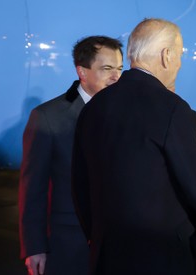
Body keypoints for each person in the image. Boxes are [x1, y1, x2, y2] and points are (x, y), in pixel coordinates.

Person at [71, 18, 196, 275]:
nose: (179, 63)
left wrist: (96, 235)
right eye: (179, 55)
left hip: (107, 252)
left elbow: (80, 183)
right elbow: (195, 183)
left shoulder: (94, 107)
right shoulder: (172, 108)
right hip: (161, 255)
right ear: (166, 56)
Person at [18, 36, 123, 275]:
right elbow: (33, 188)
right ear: (82, 72)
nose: (116, 77)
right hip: (68, 242)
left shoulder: (127, 112)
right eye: (107, 69)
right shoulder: (48, 117)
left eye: (119, 69)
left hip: (118, 241)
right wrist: (34, 247)